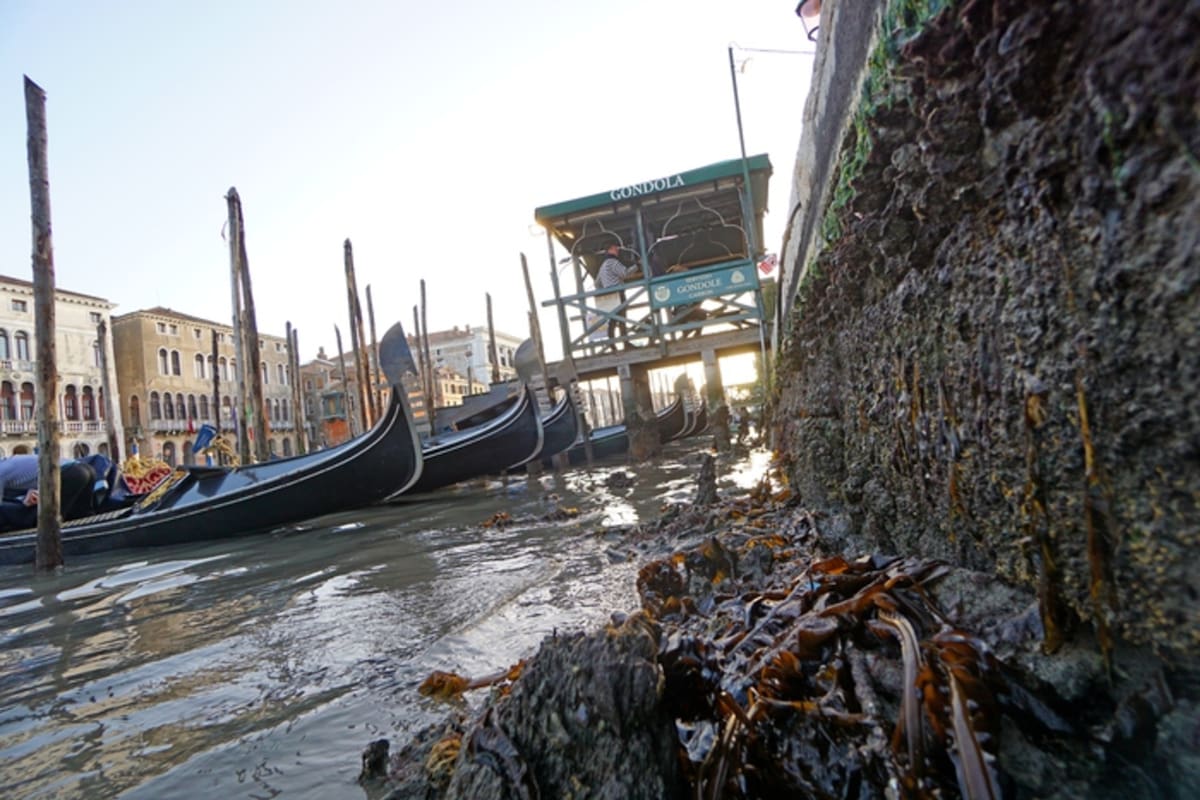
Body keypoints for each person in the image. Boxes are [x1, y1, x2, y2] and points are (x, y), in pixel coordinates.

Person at [0, 454, 97, 531]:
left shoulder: (1, 471)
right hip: (86, 469)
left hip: (70, 473)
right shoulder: (9, 462)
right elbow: (33, 476)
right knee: (81, 515)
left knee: (49, 522)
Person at [596, 242, 630, 346]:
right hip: (618, 293)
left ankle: (611, 344)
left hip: (608, 295)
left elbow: (597, 283)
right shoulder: (613, 262)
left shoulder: (603, 266)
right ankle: (625, 342)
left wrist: (605, 288)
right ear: (610, 249)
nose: (617, 250)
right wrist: (637, 266)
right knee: (622, 319)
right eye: (615, 248)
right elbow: (625, 273)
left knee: (612, 320)